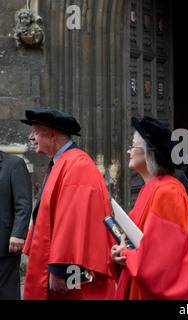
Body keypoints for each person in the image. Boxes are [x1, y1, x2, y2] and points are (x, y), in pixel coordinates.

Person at [20, 109, 116, 300]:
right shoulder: (61, 162)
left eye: (36, 132)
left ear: (53, 134)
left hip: (70, 272)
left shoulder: (77, 164)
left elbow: (72, 220)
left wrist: (62, 269)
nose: (31, 137)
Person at [111, 116, 188, 300]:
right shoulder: (152, 188)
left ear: (151, 153)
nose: (128, 151)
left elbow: (161, 264)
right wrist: (117, 253)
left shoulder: (168, 193)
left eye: (133, 146)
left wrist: (127, 254)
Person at [0, 151, 32, 300]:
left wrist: (18, 233)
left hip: (5, 244)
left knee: (7, 292)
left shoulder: (14, 164)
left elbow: (23, 204)